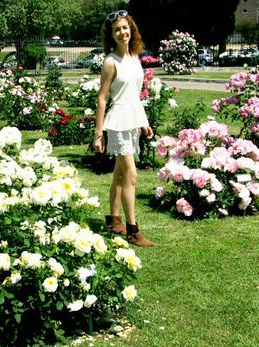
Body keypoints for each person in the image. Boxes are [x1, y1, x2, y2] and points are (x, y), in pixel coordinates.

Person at [93, 10, 155, 247]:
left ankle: (113, 220)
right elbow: (102, 98)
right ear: (111, 34)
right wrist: (98, 134)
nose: (122, 33)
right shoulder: (110, 62)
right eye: (117, 29)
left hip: (132, 120)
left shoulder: (134, 58)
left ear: (132, 29)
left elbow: (134, 96)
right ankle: (132, 229)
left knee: (120, 175)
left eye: (125, 28)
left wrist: (144, 122)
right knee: (131, 174)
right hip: (117, 122)